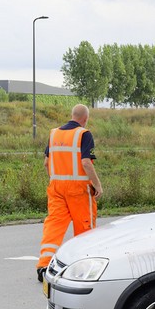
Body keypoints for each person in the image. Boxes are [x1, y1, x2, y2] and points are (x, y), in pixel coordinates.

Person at [36, 104, 103, 282]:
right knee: (84, 227)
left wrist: (57, 179)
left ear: (72, 115)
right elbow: (86, 162)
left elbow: (46, 163)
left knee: (54, 225)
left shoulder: (54, 133)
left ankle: (43, 265)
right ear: (85, 118)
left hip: (56, 187)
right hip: (78, 189)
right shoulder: (84, 134)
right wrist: (97, 185)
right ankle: (83, 265)